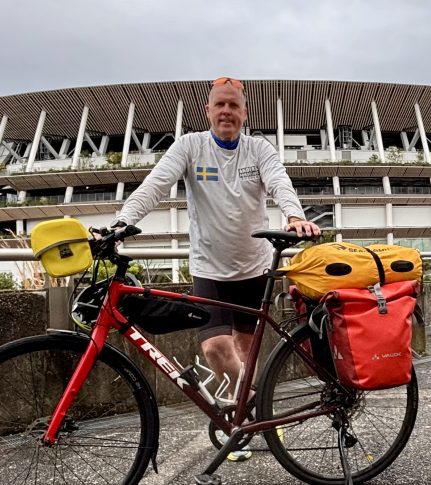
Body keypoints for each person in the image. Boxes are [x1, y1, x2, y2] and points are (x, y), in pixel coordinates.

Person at [110, 77, 320, 460]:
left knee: (243, 353)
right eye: (219, 105)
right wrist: (122, 222)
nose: (226, 111)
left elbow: (280, 183)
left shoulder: (258, 149)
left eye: (233, 106)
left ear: (244, 113)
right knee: (216, 350)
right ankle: (261, 414)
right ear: (208, 111)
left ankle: (237, 424)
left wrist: (294, 215)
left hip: (255, 267)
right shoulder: (191, 146)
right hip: (209, 267)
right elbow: (155, 185)